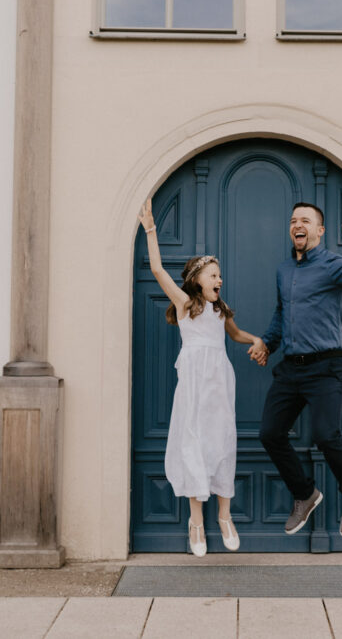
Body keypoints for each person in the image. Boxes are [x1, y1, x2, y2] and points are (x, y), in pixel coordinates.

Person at [248, 202, 342, 539]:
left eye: (306, 221)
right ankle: (305, 494)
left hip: (326, 367)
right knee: (270, 433)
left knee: (325, 435)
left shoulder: (334, 265)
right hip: (291, 369)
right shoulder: (284, 271)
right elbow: (282, 313)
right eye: (294, 220)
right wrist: (268, 344)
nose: (298, 225)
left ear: (320, 231)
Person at [139, 198, 264, 557]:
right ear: (196, 280)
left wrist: (256, 340)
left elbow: (235, 335)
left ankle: (224, 516)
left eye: (220, 276)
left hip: (219, 382)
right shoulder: (184, 305)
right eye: (213, 275)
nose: (219, 280)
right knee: (194, 443)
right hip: (194, 383)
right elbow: (158, 270)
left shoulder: (220, 310)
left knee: (222, 442)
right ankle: (195, 523)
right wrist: (151, 230)